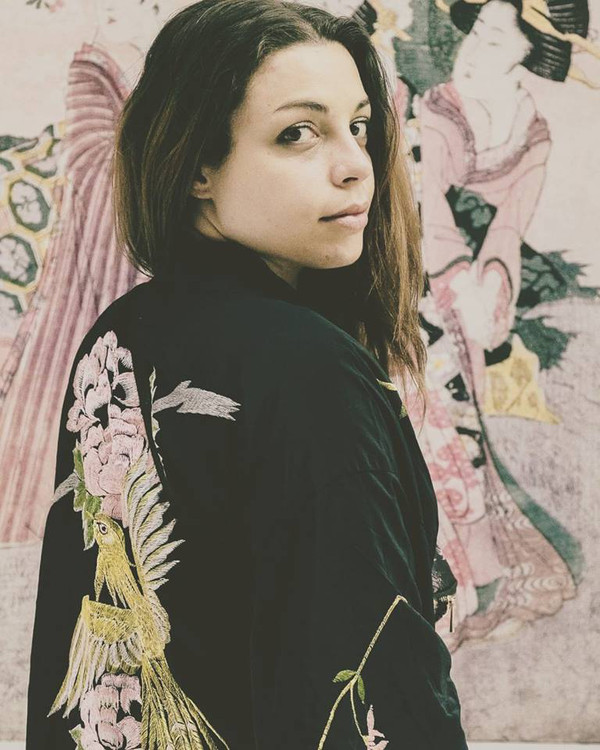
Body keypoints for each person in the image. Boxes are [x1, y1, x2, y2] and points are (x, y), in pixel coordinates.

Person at [26, 1, 468, 748]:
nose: (354, 164)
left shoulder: (119, 338)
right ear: (198, 165)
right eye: (298, 133)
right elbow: (370, 676)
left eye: (358, 126)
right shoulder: (311, 371)